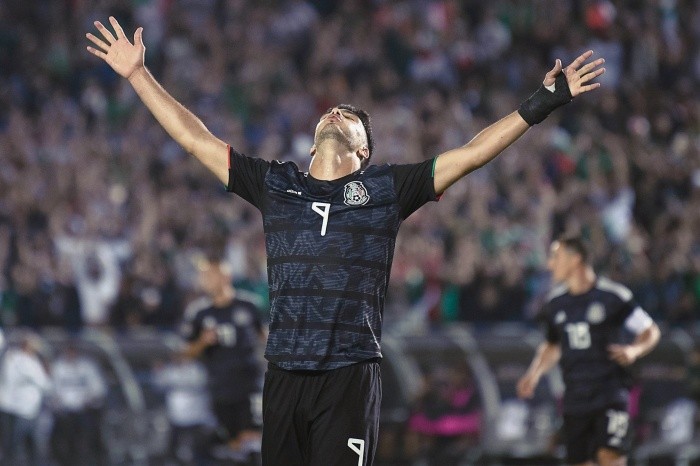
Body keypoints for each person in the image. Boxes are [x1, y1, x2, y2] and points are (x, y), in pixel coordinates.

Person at [85, 16, 605, 466]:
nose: (336, 112)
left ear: (363, 152)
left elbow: (471, 154)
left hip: (349, 375)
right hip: (284, 373)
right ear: (312, 142)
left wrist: (542, 101)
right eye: (331, 111)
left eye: (350, 117)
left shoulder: (387, 190)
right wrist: (138, 75)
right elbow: (193, 138)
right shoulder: (276, 184)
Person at [516, 234, 661, 466]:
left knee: (610, 457)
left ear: (576, 259)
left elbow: (650, 330)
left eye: (556, 257)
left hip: (610, 392)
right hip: (575, 398)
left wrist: (635, 350)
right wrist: (533, 374)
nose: (550, 264)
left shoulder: (613, 296)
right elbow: (552, 345)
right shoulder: (555, 304)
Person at [181, 259, 266, 460]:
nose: (205, 280)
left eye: (209, 275)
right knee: (232, 447)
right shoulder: (199, 313)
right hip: (220, 389)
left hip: (249, 385)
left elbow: (265, 338)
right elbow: (186, 353)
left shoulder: (248, 305)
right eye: (203, 276)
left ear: (225, 276)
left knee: (253, 441)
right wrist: (202, 341)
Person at [49, 341, 107, 466]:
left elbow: (98, 389)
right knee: (63, 441)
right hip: (64, 413)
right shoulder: (58, 367)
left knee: (87, 440)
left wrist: (89, 399)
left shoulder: (87, 366)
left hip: (85, 411)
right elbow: (52, 388)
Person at [0, 330, 52, 466]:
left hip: (28, 409)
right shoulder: (17, 359)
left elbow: (46, 385)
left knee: (28, 445)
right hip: (17, 409)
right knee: (15, 445)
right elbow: (45, 384)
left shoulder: (31, 360)